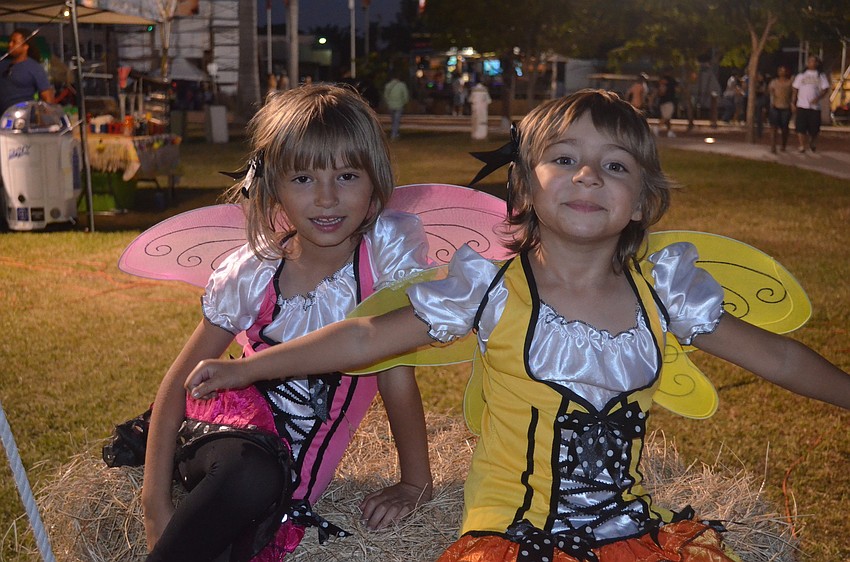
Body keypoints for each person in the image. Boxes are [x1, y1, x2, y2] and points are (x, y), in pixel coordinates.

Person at [185, 89, 850, 562]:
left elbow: (781, 360)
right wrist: (247, 368)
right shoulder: (491, 291)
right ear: (526, 188)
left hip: (629, 537)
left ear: (642, 201)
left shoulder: (665, 296)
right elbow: (362, 337)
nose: (588, 175)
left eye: (615, 165)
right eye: (564, 158)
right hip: (510, 534)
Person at [142, 84, 433, 562]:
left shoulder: (380, 266)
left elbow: (397, 377)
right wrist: (155, 504)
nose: (326, 199)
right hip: (219, 439)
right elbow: (178, 382)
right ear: (273, 185)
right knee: (252, 474)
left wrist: (415, 481)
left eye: (346, 176)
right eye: (302, 179)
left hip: (285, 483)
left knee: (250, 510)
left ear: (376, 182)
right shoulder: (254, 271)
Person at [0, 28, 55, 113]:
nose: (10, 45)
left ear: (25, 46)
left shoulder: (34, 68)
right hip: (3, 120)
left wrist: (45, 118)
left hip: (23, 119)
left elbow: (47, 96)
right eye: (10, 41)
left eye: (14, 42)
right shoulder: (2, 64)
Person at [792, 55, 830, 153]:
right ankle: (802, 146)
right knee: (800, 127)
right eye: (809, 61)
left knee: (814, 129)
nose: (810, 63)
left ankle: (812, 142)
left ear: (817, 63)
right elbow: (795, 89)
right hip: (802, 105)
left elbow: (825, 89)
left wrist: (817, 98)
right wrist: (793, 102)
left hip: (814, 107)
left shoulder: (821, 75)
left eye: (812, 61)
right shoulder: (801, 75)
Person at [768, 65, 793, 153]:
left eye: (784, 71)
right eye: (780, 70)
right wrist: (772, 102)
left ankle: (783, 145)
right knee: (773, 127)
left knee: (784, 128)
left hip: (786, 107)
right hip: (775, 107)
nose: (782, 72)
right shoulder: (773, 82)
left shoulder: (790, 83)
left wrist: (792, 104)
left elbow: (793, 94)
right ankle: (773, 145)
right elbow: (771, 93)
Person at [383, 71, 410, 140]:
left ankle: (394, 133)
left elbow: (385, 96)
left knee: (393, 120)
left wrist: (388, 102)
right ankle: (394, 134)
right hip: (399, 105)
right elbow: (406, 96)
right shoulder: (402, 85)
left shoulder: (388, 85)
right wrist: (404, 103)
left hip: (390, 105)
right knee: (396, 120)